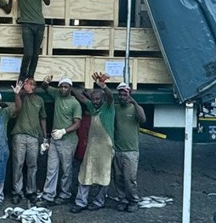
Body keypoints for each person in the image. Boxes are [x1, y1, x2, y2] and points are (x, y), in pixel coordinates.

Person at [70, 72, 115, 213]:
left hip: (106, 149)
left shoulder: (109, 108)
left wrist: (104, 86)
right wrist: (73, 88)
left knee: (104, 175)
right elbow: (81, 97)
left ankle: (99, 201)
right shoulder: (91, 107)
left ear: (102, 99)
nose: (95, 101)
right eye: (94, 99)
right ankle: (81, 202)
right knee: (85, 174)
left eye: (97, 99)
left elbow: (110, 96)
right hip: (92, 147)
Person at [36, 76, 82, 207]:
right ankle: (48, 196)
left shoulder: (75, 103)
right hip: (55, 140)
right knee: (52, 169)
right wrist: (46, 81)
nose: (63, 89)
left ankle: (65, 195)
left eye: (66, 87)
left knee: (66, 170)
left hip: (68, 141)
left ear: (70, 88)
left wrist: (63, 131)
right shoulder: (57, 94)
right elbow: (45, 87)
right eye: (61, 86)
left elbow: (77, 123)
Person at [0, 0, 50, 82]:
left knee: (36, 54)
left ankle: (31, 77)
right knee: (28, 53)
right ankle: (22, 76)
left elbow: (47, 2)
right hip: (26, 23)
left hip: (40, 23)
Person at [11, 78, 47, 205]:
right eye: (28, 84)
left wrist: (44, 136)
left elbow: (43, 118)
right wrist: (21, 91)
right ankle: (17, 192)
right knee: (18, 164)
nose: (30, 86)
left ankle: (31, 191)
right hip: (19, 135)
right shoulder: (22, 96)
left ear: (36, 87)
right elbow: (17, 105)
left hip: (33, 137)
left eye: (33, 84)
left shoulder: (39, 100)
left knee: (32, 165)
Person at [113, 82, 146, 213]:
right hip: (117, 149)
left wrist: (134, 103)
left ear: (130, 95)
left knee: (129, 179)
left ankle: (133, 201)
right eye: (120, 94)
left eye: (125, 94)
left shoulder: (135, 108)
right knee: (118, 178)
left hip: (131, 151)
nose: (122, 97)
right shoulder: (115, 108)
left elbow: (143, 119)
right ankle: (122, 200)